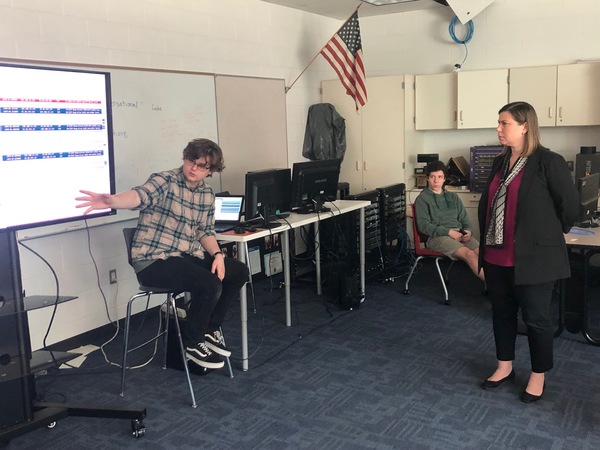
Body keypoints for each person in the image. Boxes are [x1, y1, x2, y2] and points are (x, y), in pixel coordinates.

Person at [76, 138, 249, 370]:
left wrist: (218, 254)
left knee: (237, 271)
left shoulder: (207, 193)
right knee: (209, 285)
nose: (193, 169)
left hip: (184, 255)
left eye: (201, 166)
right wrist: (112, 200)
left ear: (211, 170)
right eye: (191, 161)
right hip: (153, 261)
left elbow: (204, 231)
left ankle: (209, 329)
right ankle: (192, 341)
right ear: (184, 158)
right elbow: (139, 196)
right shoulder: (165, 180)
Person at [478, 101, 579, 403]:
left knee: (536, 319)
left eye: (504, 123)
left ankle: (538, 375)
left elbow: (570, 206)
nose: (498, 128)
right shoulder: (499, 162)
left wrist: (545, 233)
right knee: (502, 313)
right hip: (497, 255)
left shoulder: (548, 161)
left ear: (525, 126)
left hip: (535, 258)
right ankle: (504, 366)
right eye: (498, 122)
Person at [414, 160, 484, 281]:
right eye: (432, 177)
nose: (436, 181)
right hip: (438, 238)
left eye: (440, 177)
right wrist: (449, 232)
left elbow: (464, 219)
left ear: (444, 179)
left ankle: (501, 286)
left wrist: (468, 231)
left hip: (459, 234)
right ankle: (496, 290)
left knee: (485, 254)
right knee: (470, 254)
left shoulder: (453, 197)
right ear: (427, 179)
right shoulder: (422, 199)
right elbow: (424, 226)